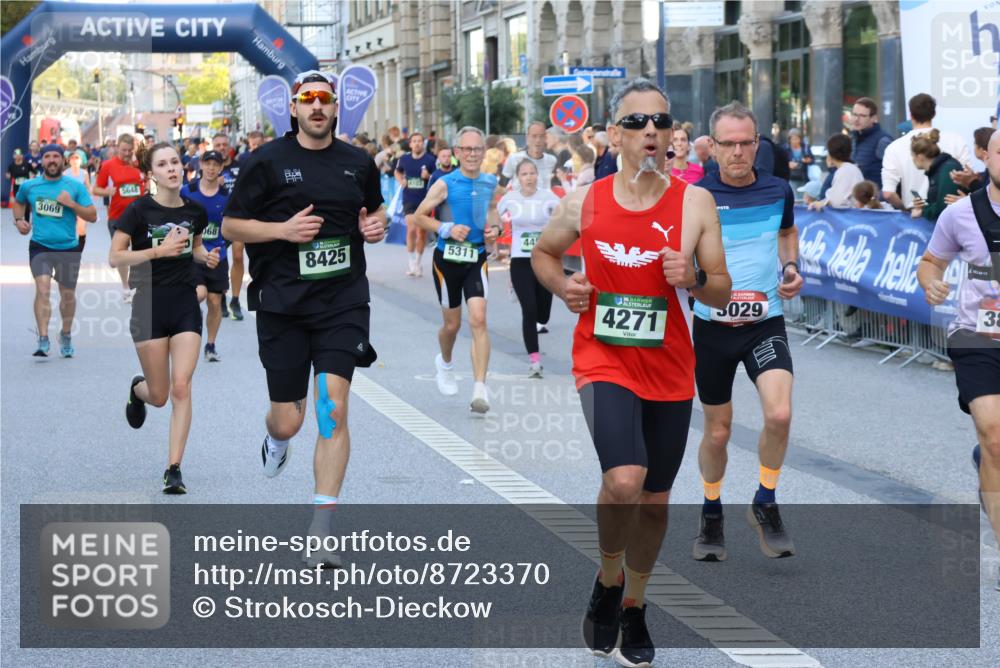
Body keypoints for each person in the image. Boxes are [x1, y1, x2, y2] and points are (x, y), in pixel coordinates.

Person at [532, 79, 731, 667]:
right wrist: (564, 285)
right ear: (613, 134)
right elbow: (544, 255)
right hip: (603, 359)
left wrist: (691, 278)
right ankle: (609, 578)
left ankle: (635, 605)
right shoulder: (584, 202)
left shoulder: (695, 203)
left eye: (662, 122)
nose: (651, 131)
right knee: (624, 479)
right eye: (638, 121)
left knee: (655, 499)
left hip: (669, 367)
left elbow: (719, 291)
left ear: (672, 136)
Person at [221, 70, 386, 566]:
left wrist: (374, 226)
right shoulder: (266, 161)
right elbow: (230, 226)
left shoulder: (358, 163)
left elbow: (373, 214)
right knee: (290, 420)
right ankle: (275, 437)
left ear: (336, 108)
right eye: (307, 99)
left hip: (343, 302)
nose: (316, 106)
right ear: (293, 108)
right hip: (283, 305)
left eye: (325, 99)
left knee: (331, 408)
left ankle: (322, 528)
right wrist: (283, 230)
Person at [691, 102, 804, 565]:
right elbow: (682, 262)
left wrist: (792, 267)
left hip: (764, 321)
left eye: (746, 142)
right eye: (728, 144)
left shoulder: (779, 189)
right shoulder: (695, 197)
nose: (738, 152)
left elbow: (787, 232)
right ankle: (712, 509)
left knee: (778, 415)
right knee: (718, 433)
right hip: (713, 328)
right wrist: (699, 284)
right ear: (713, 147)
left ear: (756, 144)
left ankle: (765, 501)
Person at [917, 128, 1000, 591]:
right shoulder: (962, 214)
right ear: (986, 156)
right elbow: (931, 261)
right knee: (994, 438)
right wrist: (931, 282)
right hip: (978, 336)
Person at [110, 142, 218, 494]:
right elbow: (116, 258)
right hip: (148, 305)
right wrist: (158, 250)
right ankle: (137, 390)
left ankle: (174, 468)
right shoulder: (138, 211)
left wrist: (207, 259)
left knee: (181, 387)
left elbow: (196, 247)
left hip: (185, 303)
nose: (171, 168)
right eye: (163, 164)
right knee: (159, 396)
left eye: (175, 161)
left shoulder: (196, 211)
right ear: (151, 173)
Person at [414, 126, 501, 414]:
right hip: (447, 261)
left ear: (483, 152)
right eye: (467, 149)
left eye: (477, 149)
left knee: (479, 318)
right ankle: (446, 362)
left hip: (476, 258)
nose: (472, 154)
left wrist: (495, 229)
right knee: (453, 325)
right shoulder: (445, 183)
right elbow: (419, 216)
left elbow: (492, 212)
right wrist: (446, 227)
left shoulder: (490, 182)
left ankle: (479, 388)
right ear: (458, 153)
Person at [13, 144, 97, 358]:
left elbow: (92, 215)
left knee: (67, 295)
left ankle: (66, 334)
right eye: (47, 156)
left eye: (56, 156)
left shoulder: (74, 186)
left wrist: (71, 205)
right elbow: (19, 202)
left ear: (63, 160)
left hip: (68, 247)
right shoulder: (30, 186)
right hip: (40, 245)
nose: (51, 160)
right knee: (42, 289)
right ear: (42, 161)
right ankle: (43, 339)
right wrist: (19, 220)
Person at [497, 159, 560, 377]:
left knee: (543, 314)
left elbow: (563, 220)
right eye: (524, 174)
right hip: (520, 261)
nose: (529, 177)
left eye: (532, 173)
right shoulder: (509, 199)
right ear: (518, 178)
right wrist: (494, 232)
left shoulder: (549, 197)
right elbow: (495, 219)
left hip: (545, 259)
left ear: (537, 176)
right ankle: (534, 361)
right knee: (529, 310)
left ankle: (540, 311)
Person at [882, 93, 971, 210]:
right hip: (949, 214)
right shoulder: (955, 140)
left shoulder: (894, 147)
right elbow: (968, 178)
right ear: (934, 114)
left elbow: (888, 193)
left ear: (911, 114)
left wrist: (905, 209)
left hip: (912, 219)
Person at [186, 150, 230, 361]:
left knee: (214, 301)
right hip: (193, 255)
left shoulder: (225, 197)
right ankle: (189, 331)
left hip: (216, 257)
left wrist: (224, 246)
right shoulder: (188, 192)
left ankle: (210, 345)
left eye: (216, 164)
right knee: (199, 294)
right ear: (201, 165)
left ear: (221, 167)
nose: (212, 168)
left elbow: (230, 227)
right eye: (208, 163)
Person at [93, 134, 145, 301]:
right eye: (124, 150)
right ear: (117, 148)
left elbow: (149, 184)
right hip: (118, 216)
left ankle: (138, 283)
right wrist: (108, 191)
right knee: (122, 253)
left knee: (140, 252)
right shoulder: (108, 165)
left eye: (130, 150)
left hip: (140, 216)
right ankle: (126, 287)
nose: (127, 153)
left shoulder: (139, 165)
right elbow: (96, 189)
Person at [395, 132, 438, 277]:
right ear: (410, 144)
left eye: (420, 141)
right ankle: (411, 262)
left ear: (423, 143)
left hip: (425, 200)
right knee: (411, 230)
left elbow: (437, 177)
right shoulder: (404, 159)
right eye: (414, 141)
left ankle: (418, 262)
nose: (417, 143)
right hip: (409, 199)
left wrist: (429, 176)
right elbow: (397, 172)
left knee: (421, 232)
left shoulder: (430, 159)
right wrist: (401, 180)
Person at [909, 130, 964, 223]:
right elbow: (940, 200)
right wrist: (924, 205)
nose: (912, 159)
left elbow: (944, 205)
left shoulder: (947, 169)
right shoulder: (939, 169)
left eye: (912, 156)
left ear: (919, 157)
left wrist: (923, 211)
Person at [808, 134, 864, 210]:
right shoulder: (848, 169)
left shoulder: (845, 170)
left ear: (830, 153)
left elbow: (837, 201)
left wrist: (821, 203)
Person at [849, 97, 893, 189]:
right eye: (854, 114)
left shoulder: (883, 141)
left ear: (874, 118)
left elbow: (894, 174)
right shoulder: (853, 138)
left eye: (862, 116)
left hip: (875, 199)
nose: (856, 119)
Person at [500, 121, 557, 191]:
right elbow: (501, 186)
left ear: (545, 139)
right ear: (527, 138)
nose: (538, 140)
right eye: (534, 136)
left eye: (541, 136)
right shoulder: (514, 159)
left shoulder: (552, 160)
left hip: (543, 200)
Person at [948, 126, 995, 201]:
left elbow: (989, 200)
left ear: (981, 148)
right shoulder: (988, 172)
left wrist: (967, 201)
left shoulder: (992, 173)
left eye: (974, 144)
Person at [63, 151, 93, 247]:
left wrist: (90, 196)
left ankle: (79, 250)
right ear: (69, 161)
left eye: (77, 158)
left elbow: (88, 186)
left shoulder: (84, 173)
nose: (75, 161)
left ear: (80, 161)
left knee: (81, 228)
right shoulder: (65, 174)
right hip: (68, 203)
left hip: (81, 203)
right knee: (68, 228)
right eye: (73, 158)